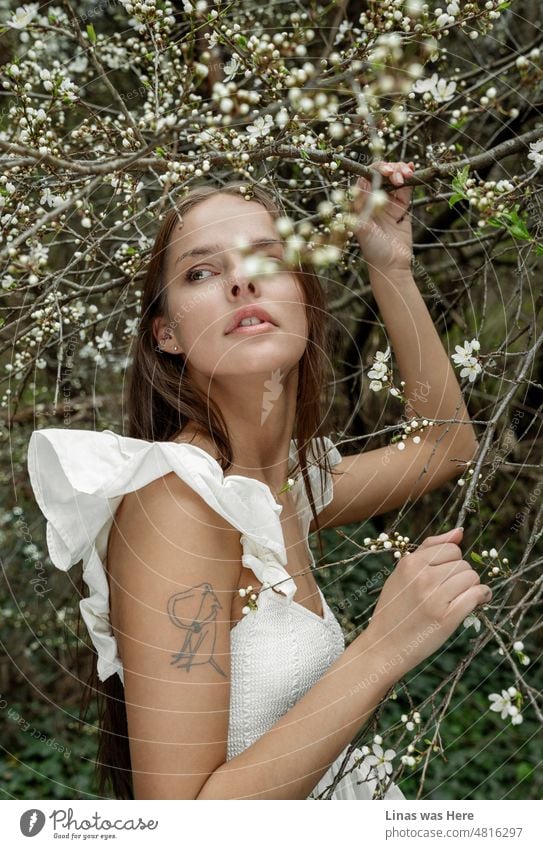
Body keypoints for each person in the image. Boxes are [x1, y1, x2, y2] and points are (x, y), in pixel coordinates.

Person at [27, 164, 491, 800]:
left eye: (265, 259)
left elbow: (444, 445)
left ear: (302, 293)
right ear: (166, 332)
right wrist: (381, 649)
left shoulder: (287, 489)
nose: (241, 280)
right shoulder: (179, 501)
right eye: (201, 272)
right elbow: (184, 827)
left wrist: (390, 266)